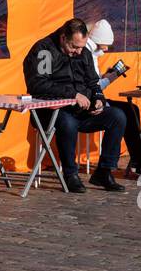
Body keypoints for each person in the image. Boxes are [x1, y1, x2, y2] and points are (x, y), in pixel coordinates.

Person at [22, 18, 130, 193]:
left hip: (81, 111)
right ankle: (70, 174)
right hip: (51, 112)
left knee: (117, 116)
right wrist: (72, 94)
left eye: (82, 47)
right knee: (68, 123)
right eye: (74, 47)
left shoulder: (83, 52)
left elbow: (94, 83)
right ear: (64, 38)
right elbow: (38, 85)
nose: (79, 52)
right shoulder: (44, 50)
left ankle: (104, 172)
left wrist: (98, 99)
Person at [85, 19, 141, 178]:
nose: (106, 49)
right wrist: (112, 77)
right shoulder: (88, 55)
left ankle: (140, 160)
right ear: (99, 41)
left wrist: (106, 76)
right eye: (105, 44)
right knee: (125, 113)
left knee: (132, 110)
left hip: (94, 98)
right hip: (91, 102)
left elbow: (94, 82)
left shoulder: (91, 54)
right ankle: (139, 161)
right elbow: (95, 86)